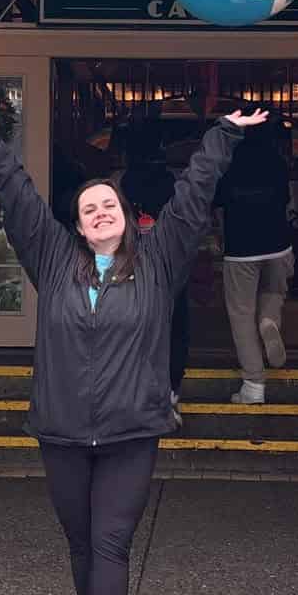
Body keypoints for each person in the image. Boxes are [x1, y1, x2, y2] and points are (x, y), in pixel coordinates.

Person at [0, 105, 267, 595]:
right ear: (78, 224)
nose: (99, 212)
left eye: (108, 204)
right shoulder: (53, 260)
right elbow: (19, 199)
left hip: (130, 431)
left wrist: (223, 135)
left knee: (110, 540)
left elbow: (192, 198)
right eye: (89, 208)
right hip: (62, 431)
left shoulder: (158, 261)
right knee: (81, 543)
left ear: (126, 214)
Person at [214, 115, 294, 404]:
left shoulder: (230, 161)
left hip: (241, 248)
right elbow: (286, 199)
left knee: (242, 314)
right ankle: (270, 320)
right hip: (279, 244)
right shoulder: (277, 161)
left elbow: (217, 203)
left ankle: (253, 384)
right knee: (274, 292)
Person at [119, 121, 188, 426]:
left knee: (134, 331)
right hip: (169, 265)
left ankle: (136, 398)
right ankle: (170, 395)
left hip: (132, 265)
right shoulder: (170, 182)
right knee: (175, 328)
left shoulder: (123, 182)